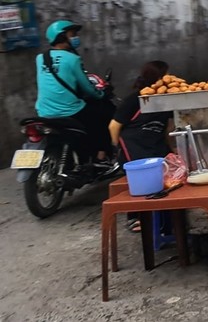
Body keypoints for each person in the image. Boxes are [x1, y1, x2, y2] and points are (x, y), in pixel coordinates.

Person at [36, 19, 113, 166]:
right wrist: (101, 95)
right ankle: (101, 157)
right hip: (69, 110)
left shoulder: (40, 58)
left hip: (43, 111)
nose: (75, 38)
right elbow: (87, 87)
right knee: (103, 117)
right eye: (72, 34)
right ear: (62, 37)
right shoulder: (72, 59)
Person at [109, 60, 173, 232]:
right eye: (166, 75)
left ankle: (164, 219)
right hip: (134, 147)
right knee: (138, 183)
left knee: (165, 181)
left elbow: (167, 128)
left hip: (155, 144)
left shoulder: (165, 100)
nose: (169, 78)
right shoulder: (135, 100)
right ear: (157, 78)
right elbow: (114, 126)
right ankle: (135, 217)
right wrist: (118, 148)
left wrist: (171, 149)